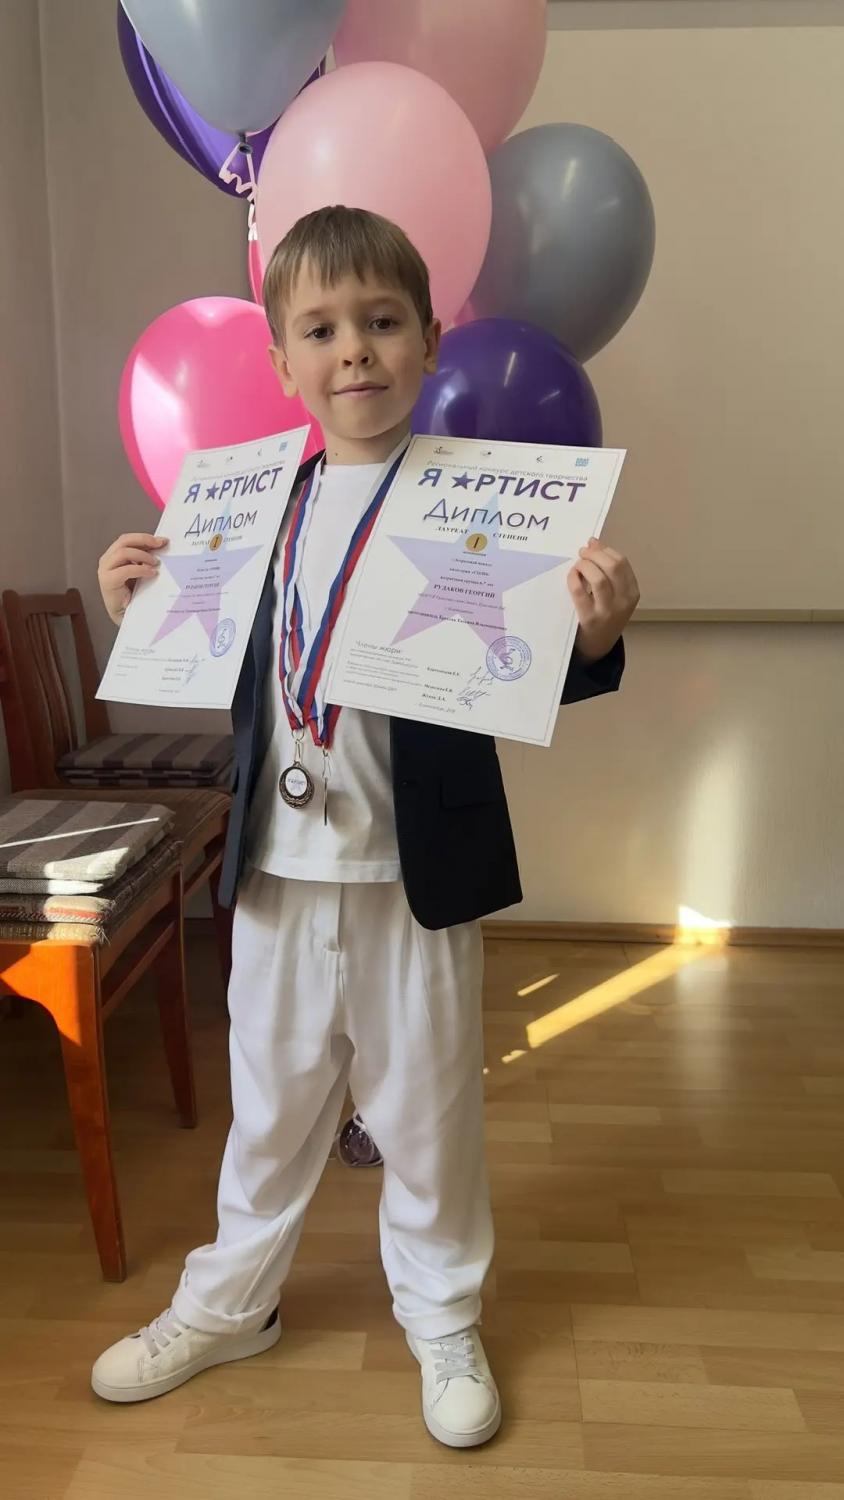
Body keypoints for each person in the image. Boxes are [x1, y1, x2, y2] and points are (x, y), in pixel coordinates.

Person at [91, 205, 640, 1447]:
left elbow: (517, 660)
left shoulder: (479, 498)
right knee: (271, 1105)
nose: (354, 350)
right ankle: (230, 1303)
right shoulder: (247, 506)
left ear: (430, 342)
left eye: (383, 322)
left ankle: (442, 1315)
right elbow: (220, 657)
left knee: (429, 1112)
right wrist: (144, 604)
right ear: (281, 362)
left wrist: (592, 635)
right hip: (279, 868)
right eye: (322, 329)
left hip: (414, 870)